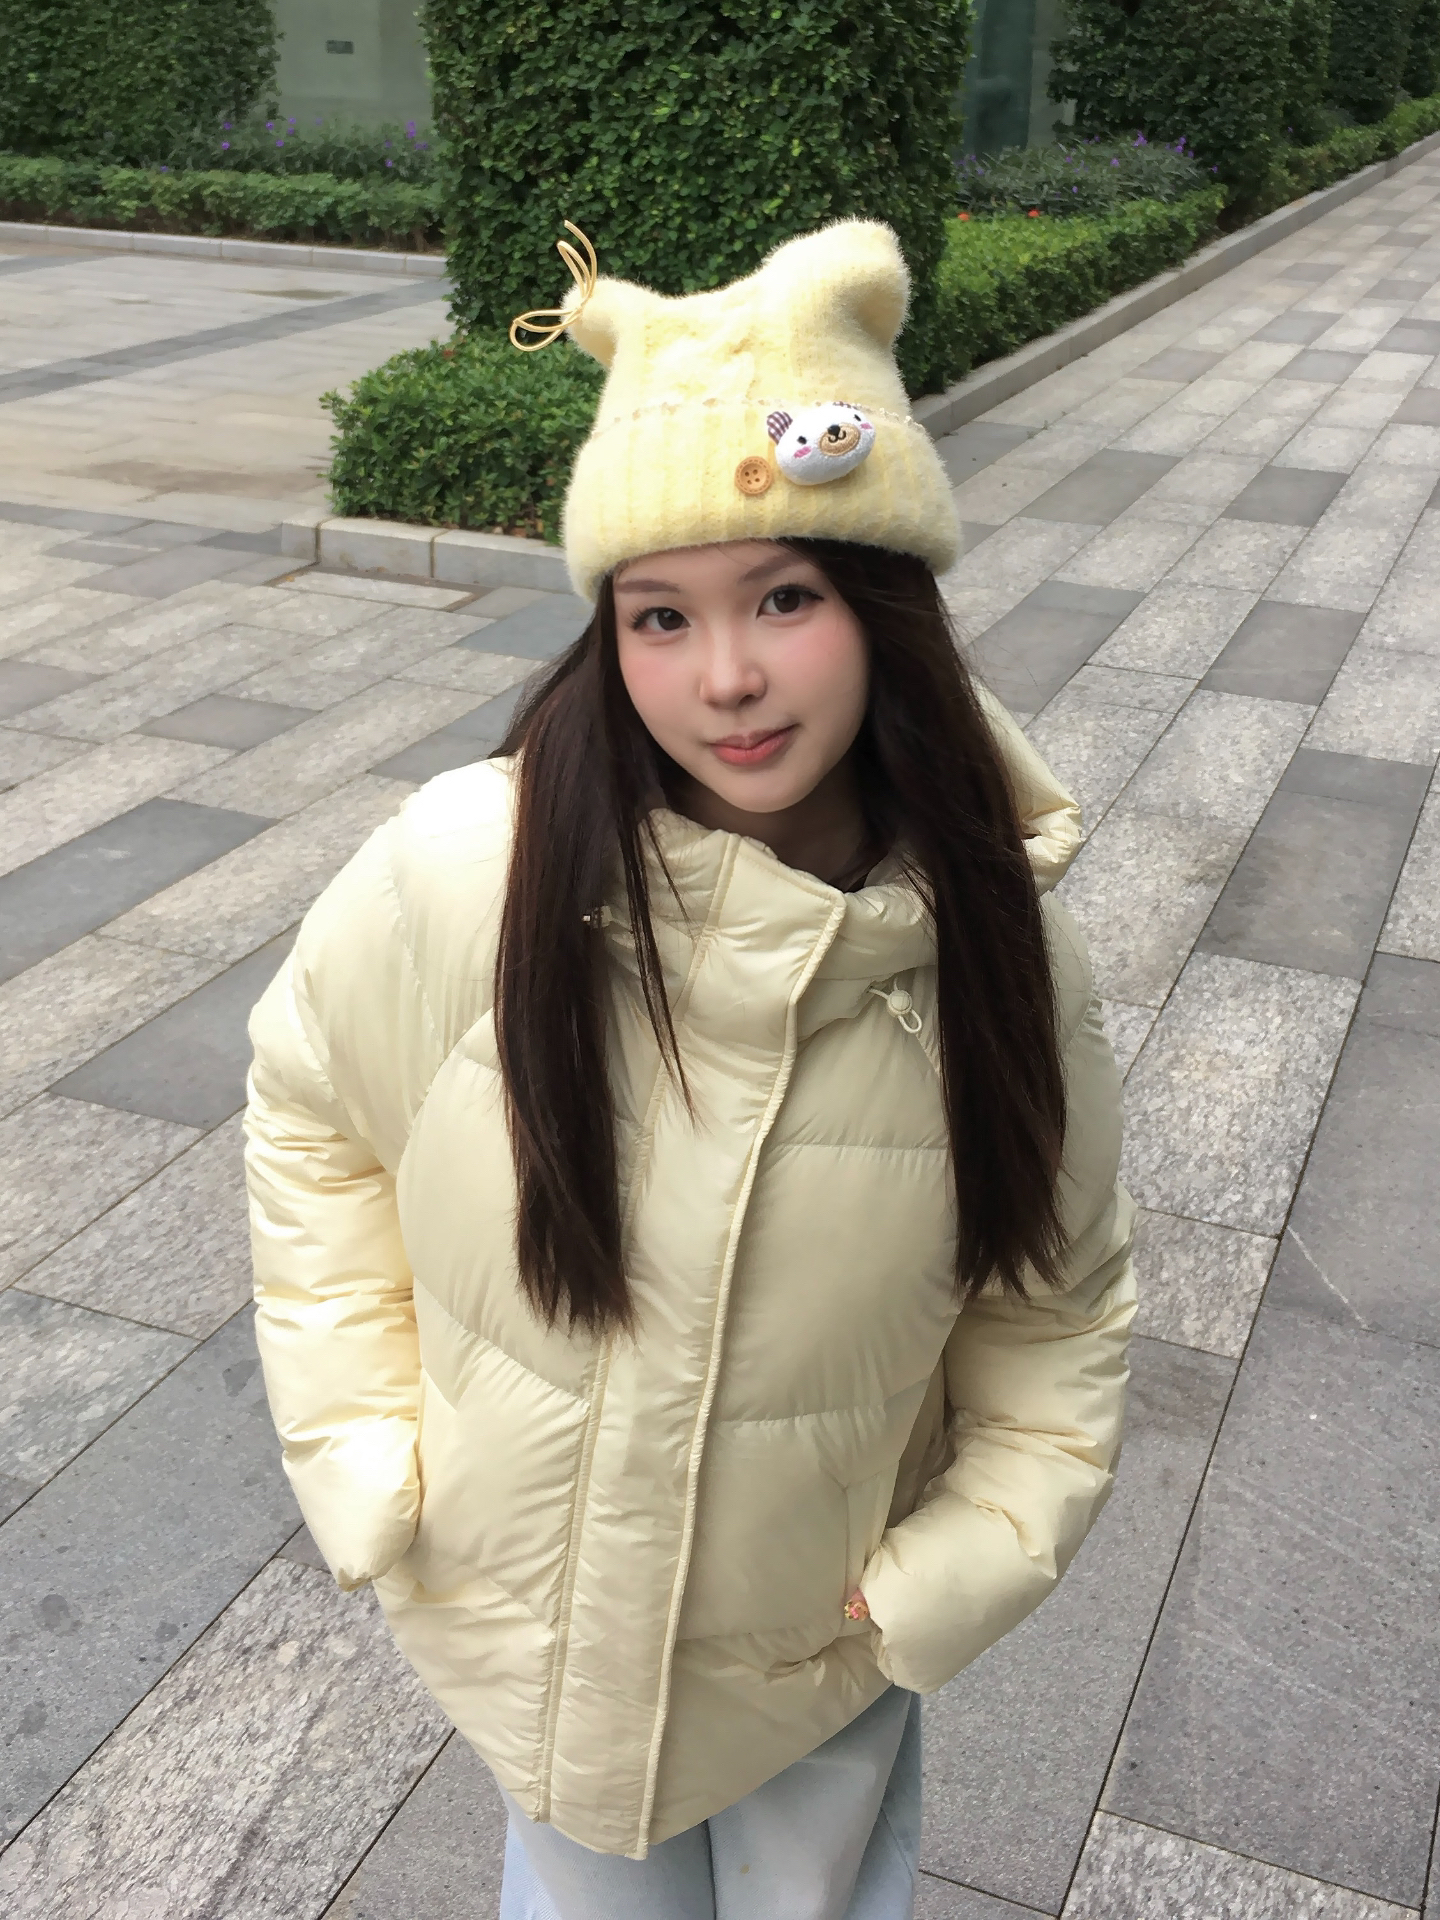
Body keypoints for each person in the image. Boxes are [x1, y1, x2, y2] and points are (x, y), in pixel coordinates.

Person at [244, 217, 1135, 1920]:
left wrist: (957, 1565)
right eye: (660, 616)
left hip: (821, 1660)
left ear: (884, 604)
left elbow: (1058, 1300)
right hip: (533, 1646)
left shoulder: (994, 950)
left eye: (785, 597)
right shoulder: (467, 871)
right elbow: (310, 1112)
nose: (725, 679)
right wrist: (361, 1440)